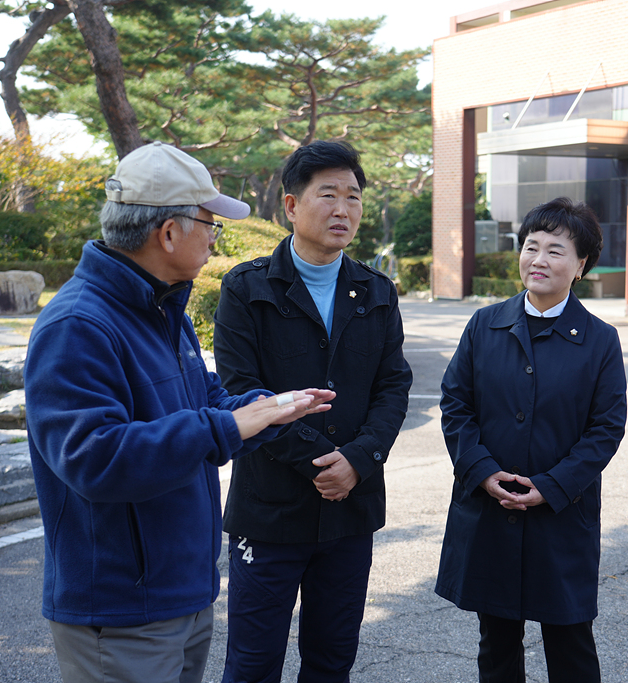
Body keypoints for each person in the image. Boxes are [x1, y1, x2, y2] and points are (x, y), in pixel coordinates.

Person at [24, 141, 334, 683]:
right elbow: (94, 458)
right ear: (168, 232)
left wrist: (264, 410)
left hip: (180, 591)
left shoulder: (163, 306)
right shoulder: (79, 324)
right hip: (121, 606)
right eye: (210, 223)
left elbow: (204, 402)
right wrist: (227, 425)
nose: (216, 239)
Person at [212, 140, 412, 683]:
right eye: (328, 194)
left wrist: (360, 459)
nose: (343, 209)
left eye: (353, 196)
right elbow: (241, 392)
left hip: (352, 512)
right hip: (270, 511)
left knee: (331, 661)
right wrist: (327, 463)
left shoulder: (376, 290)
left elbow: (394, 386)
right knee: (252, 665)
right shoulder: (245, 288)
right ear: (292, 206)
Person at [435, 197, 627, 683]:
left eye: (555, 251)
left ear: (581, 264)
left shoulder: (600, 340)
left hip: (561, 515)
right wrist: (481, 471)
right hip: (490, 508)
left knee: (571, 643)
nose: (538, 260)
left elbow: (606, 428)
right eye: (530, 247)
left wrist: (553, 486)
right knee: (496, 642)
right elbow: (456, 406)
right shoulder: (485, 324)